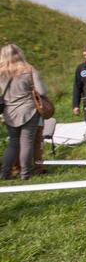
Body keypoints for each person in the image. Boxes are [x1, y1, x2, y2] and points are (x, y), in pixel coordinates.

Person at [0, 44, 47, 180]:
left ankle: (5, 173)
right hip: (29, 110)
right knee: (27, 142)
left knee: (13, 142)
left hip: (9, 112)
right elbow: (42, 91)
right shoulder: (29, 69)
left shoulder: (1, 72)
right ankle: (25, 174)